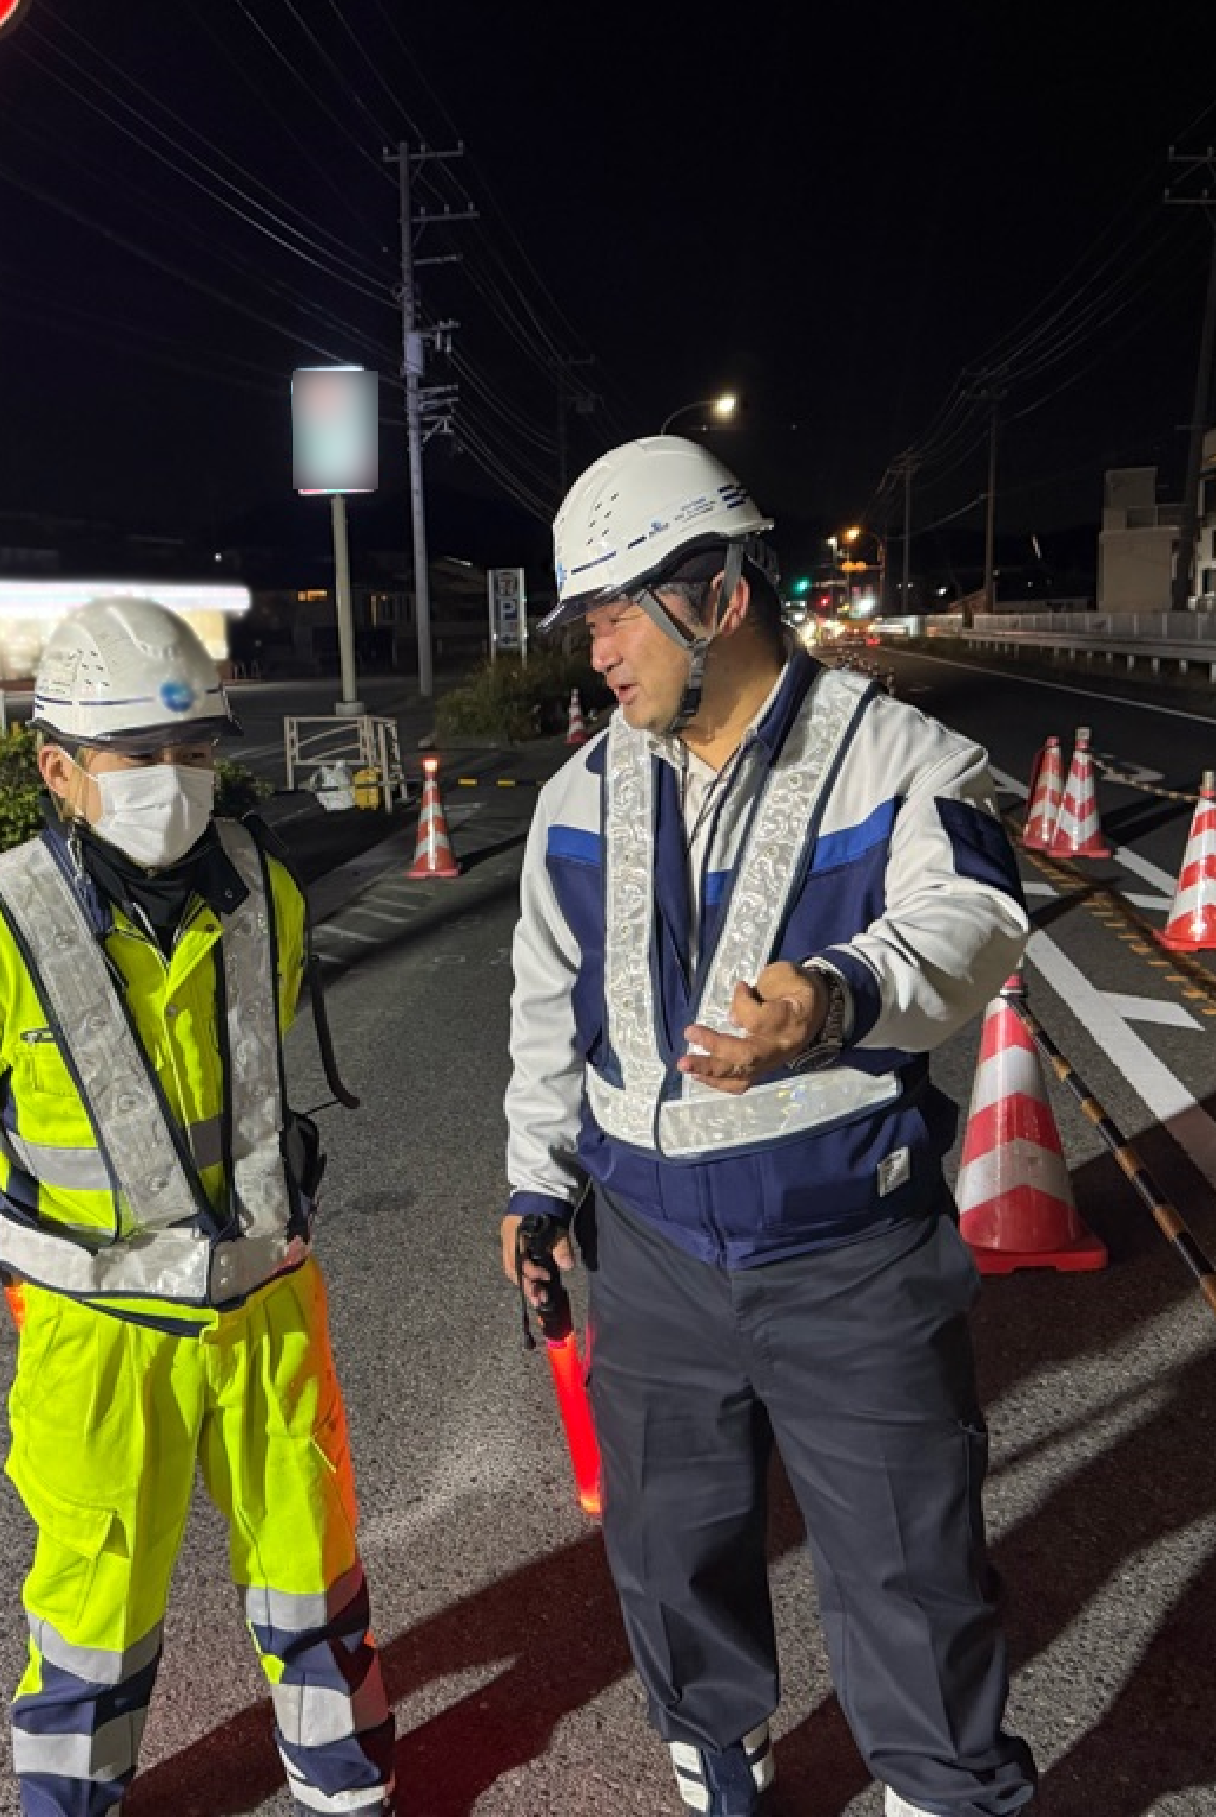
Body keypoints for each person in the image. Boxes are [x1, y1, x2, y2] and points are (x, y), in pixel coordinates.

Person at [497, 438, 1032, 1816]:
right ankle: (713, 1756)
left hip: (847, 1249)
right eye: (585, 623)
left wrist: (843, 993)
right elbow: (548, 1010)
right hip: (654, 1258)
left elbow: (970, 922)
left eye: (613, 612)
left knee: (907, 1568)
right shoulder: (578, 796)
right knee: (671, 1551)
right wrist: (532, 1189)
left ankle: (940, 1789)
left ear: (713, 594)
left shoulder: (901, 758)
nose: (596, 650)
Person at [0, 597, 388, 1817]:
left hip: (268, 1304)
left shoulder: (258, 888)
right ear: (57, 767)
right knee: (93, 1611)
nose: (171, 779)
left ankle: (344, 1788)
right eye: (135, 754)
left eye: (192, 750)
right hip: (97, 1332)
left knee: (310, 1575)